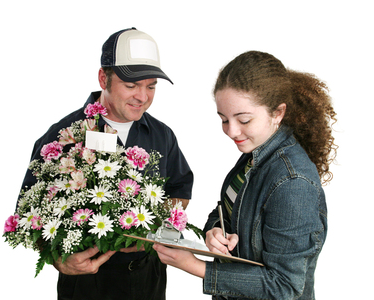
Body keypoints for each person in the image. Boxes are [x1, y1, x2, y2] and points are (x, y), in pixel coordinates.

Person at [18, 27, 193, 300]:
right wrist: (57, 259)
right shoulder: (61, 136)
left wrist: (160, 231)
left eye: (151, 86)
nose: (142, 97)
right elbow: (27, 212)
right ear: (103, 78)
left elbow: (179, 189)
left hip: (149, 279)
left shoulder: (162, 135)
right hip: (88, 284)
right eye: (131, 85)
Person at [154, 50, 337, 299]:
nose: (231, 131)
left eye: (244, 120)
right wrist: (215, 231)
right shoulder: (255, 155)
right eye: (223, 119)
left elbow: (285, 286)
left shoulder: (292, 183)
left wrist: (196, 266)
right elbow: (229, 210)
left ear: (278, 113)